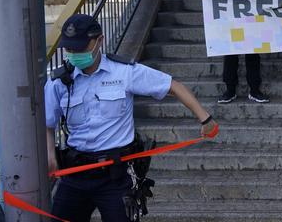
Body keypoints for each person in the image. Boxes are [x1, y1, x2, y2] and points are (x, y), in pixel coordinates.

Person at [45, 14, 218, 222]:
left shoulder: (124, 72)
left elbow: (173, 86)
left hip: (115, 176)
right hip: (75, 174)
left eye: (80, 48)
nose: (74, 54)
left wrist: (206, 120)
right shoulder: (60, 82)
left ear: (100, 41)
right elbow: (48, 122)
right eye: (70, 49)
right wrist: (50, 155)